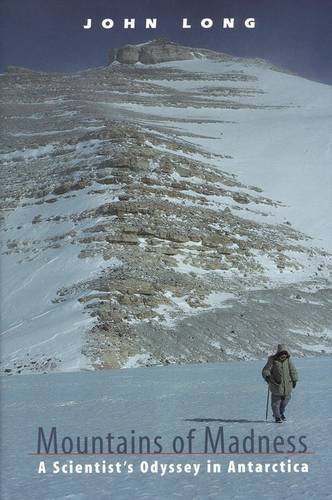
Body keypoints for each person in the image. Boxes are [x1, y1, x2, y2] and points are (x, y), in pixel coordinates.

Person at [262, 344, 298, 423]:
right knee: (276, 403)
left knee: (285, 402)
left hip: (287, 386)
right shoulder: (273, 360)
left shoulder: (288, 360)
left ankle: (280, 413)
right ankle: (277, 417)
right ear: (278, 353)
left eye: (285, 353)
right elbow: (265, 370)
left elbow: (293, 370)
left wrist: (294, 380)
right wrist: (267, 376)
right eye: (282, 353)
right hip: (276, 385)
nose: (284, 355)